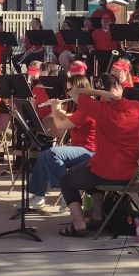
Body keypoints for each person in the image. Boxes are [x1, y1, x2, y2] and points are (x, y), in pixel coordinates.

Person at [56, 73, 139, 237]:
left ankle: (78, 223)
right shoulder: (136, 107)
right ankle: (97, 216)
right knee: (89, 171)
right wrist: (112, 93)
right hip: (131, 174)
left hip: (105, 172)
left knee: (66, 180)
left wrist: (102, 94)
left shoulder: (99, 109)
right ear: (118, 86)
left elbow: (73, 92)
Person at [26, 74, 97, 209]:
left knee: (53, 152)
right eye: (67, 90)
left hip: (89, 151)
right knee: (44, 154)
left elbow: (61, 125)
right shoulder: (81, 106)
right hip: (78, 149)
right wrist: (59, 111)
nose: (68, 93)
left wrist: (55, 110)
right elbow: (71, 117)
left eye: (71, 90)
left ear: (81, 89)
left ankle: (68, 192)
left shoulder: (88, 107)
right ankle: (39, 195)